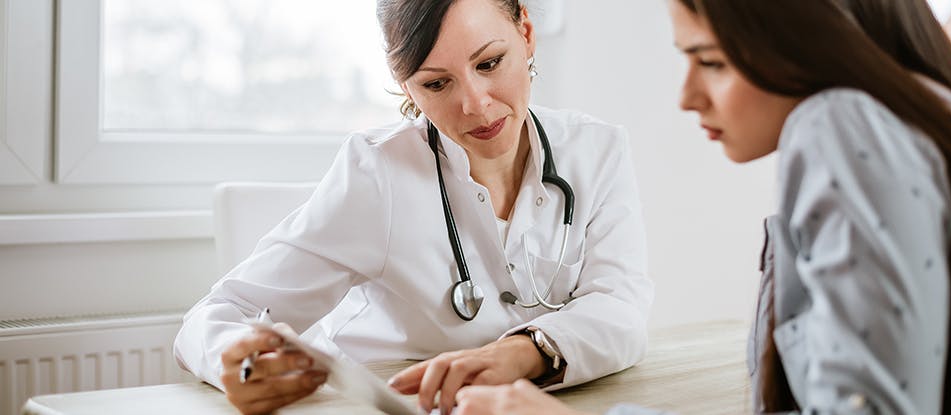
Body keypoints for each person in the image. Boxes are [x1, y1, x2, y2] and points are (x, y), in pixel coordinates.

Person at [450, 0, 951, 414]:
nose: (687, 95)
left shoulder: (841, 125)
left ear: (809, 40)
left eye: (712, 61)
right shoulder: (919, 120)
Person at [172, 0, 653, 414]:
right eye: (437, 84)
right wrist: (231, 358)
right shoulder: (376, 173)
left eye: (489, 63)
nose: (476, 105)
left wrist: (521, 353)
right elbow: (218, 313)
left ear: (526, 34)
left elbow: (621, 305)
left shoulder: (598, 150)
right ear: (406, 87)